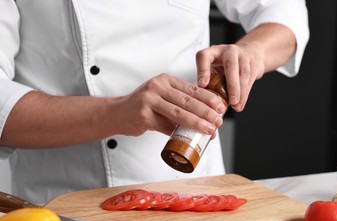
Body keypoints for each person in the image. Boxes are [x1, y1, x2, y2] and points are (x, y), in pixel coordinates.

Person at [0, 0, 309, 204]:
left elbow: (283, 11)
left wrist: (250, 54)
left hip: (196, 196)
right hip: (62, 206)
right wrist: (117, 113)